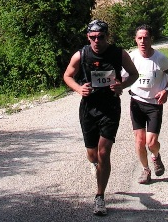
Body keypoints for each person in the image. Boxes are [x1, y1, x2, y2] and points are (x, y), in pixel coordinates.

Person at [63, 19, 138, 216]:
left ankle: (99, 197)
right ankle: (95, 165)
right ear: (88, 37)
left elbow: (134, 74)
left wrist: (122, 85)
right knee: (92, 154)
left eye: (101, 37)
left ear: (107, 36)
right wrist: (80, 88)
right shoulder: (81, 54)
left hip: (110, 108)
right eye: (93, 37)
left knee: (104, 152)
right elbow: (67, 76)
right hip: (89, 108)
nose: (97, 40)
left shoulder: (118, 53)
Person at [127, 24, 168, 184]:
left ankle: (156, 156)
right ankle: (146, 170)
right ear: (135, 40)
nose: (142, 41)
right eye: (139, 38)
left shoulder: (160, 58)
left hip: (154, 104)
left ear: (151, 39)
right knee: (140, 141)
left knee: (151, 143)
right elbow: (122, 77)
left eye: (145, 38)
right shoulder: (132, 57)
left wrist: (166, 90)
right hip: (136, 102)